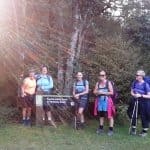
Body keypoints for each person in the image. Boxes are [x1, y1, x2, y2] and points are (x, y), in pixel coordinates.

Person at [93, 70, 115, 136]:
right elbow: (94, 91)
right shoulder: (98, 83)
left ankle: (111, 130)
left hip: (107, 101)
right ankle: (101, 128)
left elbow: (112, 92)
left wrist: (102, 92)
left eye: (103, 75)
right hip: (100, 101)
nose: (101, 76)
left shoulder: (108, 83)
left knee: (110, 115)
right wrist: (97, 92)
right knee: (101, 115)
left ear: (105, 76)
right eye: (100, 75)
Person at [130, 70, 150, 137]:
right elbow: (132, 91)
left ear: (141, 76)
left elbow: (149, 96)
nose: (136, 76)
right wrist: (134, 95)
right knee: (133, 114)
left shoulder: (145, 85)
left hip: (144, 102)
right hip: (135, 100)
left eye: (137, 75)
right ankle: (133, 129)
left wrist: (140, 95)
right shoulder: (134, 82)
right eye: (136, 74)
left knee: (144, 116)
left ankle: (144, 131)